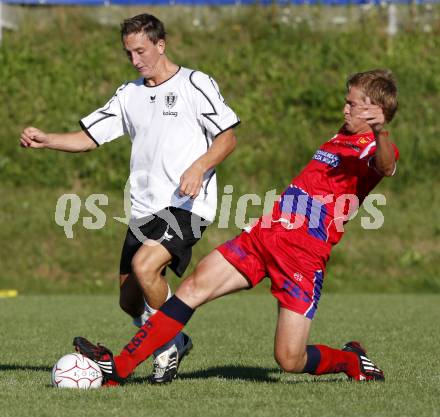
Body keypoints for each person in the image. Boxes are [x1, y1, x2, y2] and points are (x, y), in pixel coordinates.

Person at [73, 69, 398, 386]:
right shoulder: (342, 134)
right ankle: (119, 368)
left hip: (302, 257)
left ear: (376, 112)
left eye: (352, 104)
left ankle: (351, 360)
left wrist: (381, 132)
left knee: (289, 359)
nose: (345, 108)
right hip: (263, 236)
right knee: (192, 288)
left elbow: (386, 166)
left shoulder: (373, 146)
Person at [19, 13, 240, 383]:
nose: (136, 60)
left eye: (141, 51)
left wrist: (200, 167)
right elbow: (90, 138)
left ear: (161, 44)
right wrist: (48, 140)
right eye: (129, 53)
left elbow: (228, 137)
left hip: (187, 206)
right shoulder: (129, 94)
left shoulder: (194, 83)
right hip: (142, 209)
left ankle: (166, 347)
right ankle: (177, 337)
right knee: (129, 301)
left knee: (145, 266)